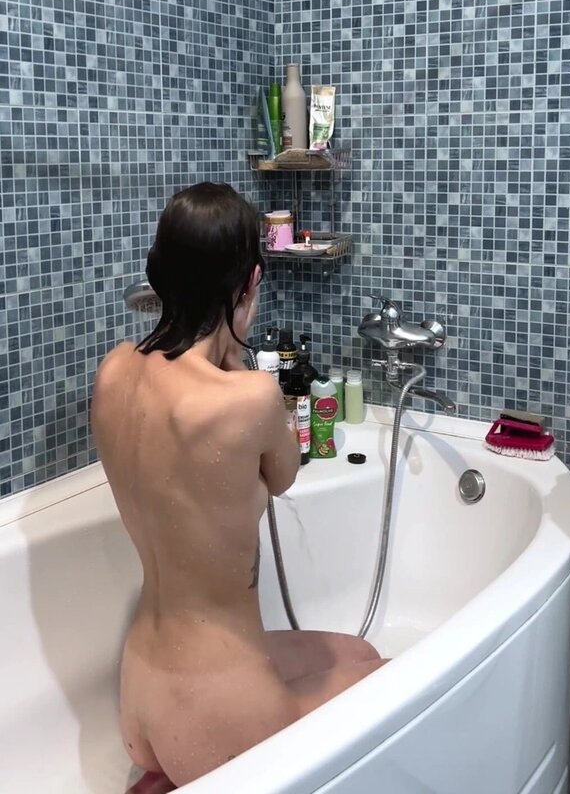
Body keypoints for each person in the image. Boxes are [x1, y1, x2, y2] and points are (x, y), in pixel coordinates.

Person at [91, 183, 387, 792]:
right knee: (385, 678)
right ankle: (206, 770)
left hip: (141, 690)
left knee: (354, 652)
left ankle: (166, 775)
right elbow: (284, 475)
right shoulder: (247, 397)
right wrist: (237, 361)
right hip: (212, 708)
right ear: (250, 282)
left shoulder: (114, 370)